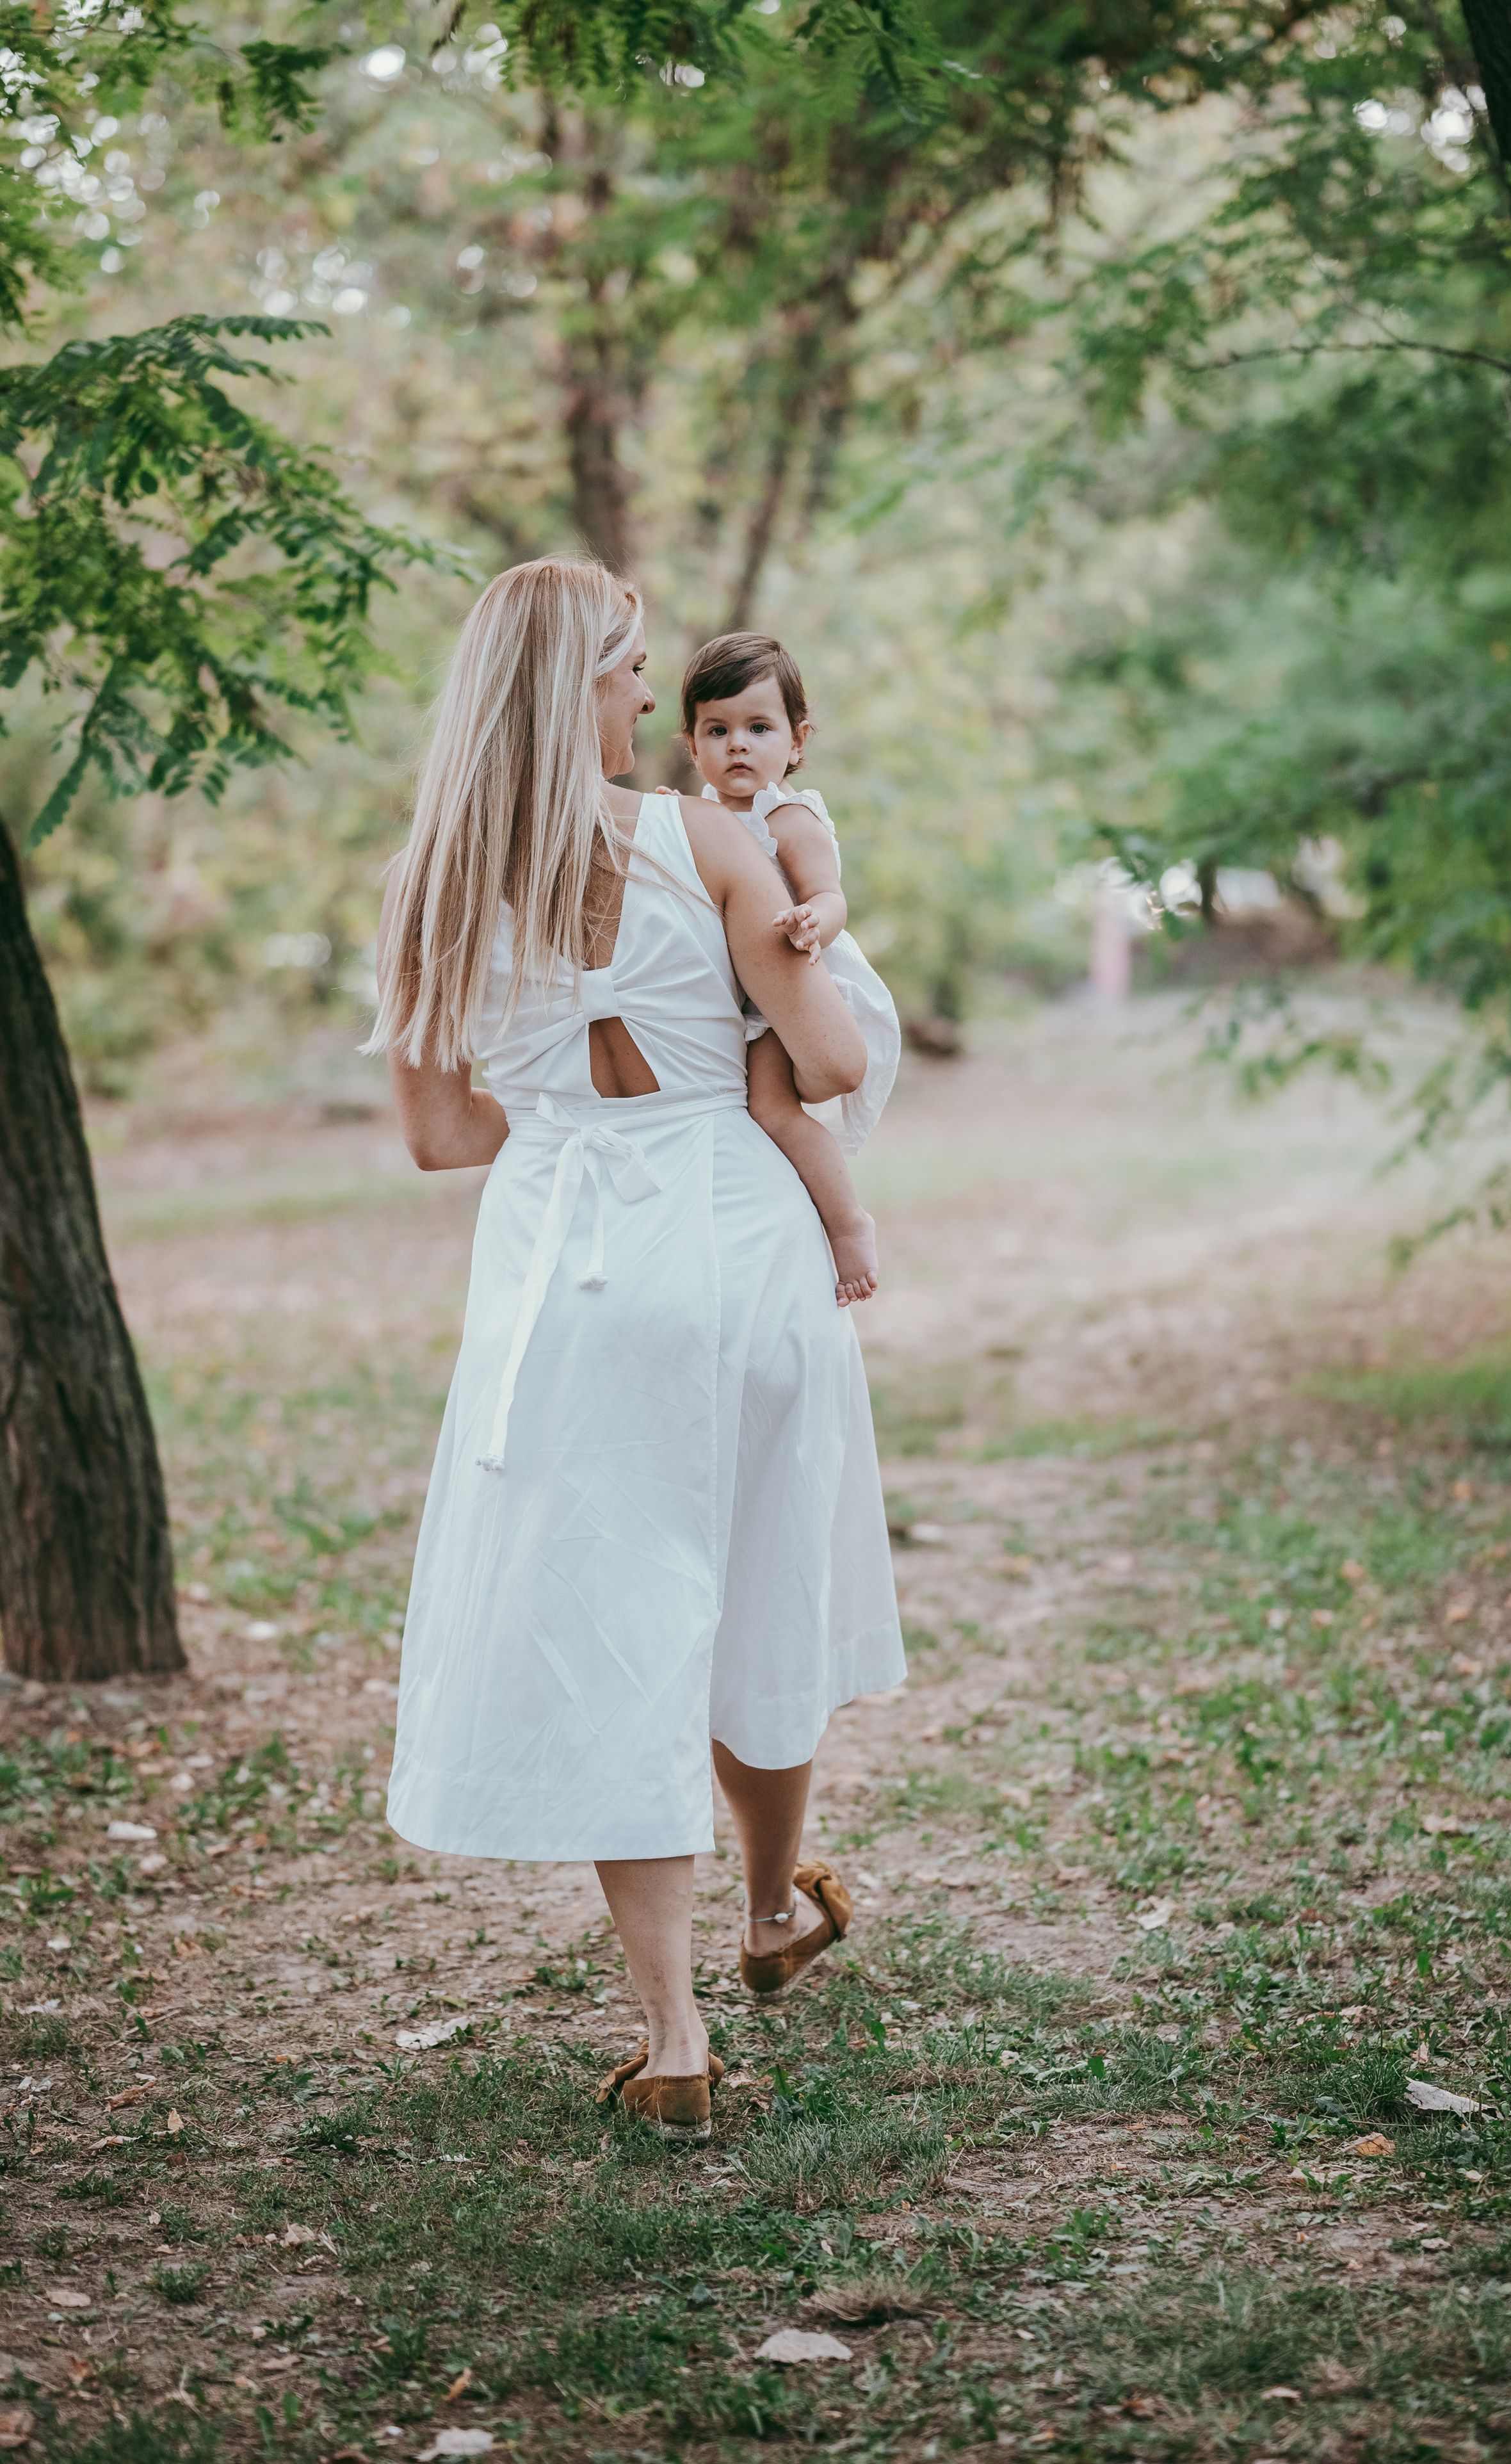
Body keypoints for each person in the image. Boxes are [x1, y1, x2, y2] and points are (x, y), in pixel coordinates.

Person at [365, 558, 905, 2143]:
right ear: (577, 685)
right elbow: (828, 1055)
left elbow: (441, 1133)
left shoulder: (431, 881)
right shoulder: (709, 837)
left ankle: (672, 2037)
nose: (641, 698)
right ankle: (764, 1907)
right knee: (759, 1581)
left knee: (615, 1621)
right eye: (627, 671)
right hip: (737, 1242)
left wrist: (559, 1100)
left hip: (569, 1264)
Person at [675, 632, 900, 1307]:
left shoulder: (788, 815)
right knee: (739, 1111)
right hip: (743, 997)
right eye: (717, 729)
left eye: (758, 727)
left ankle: (847, 1225)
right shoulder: (698, 816)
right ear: (692, 746)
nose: (737, 744)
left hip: (801, 983)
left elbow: (831, 895)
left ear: (796, 741)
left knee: (773, 1106)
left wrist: (812, 922)